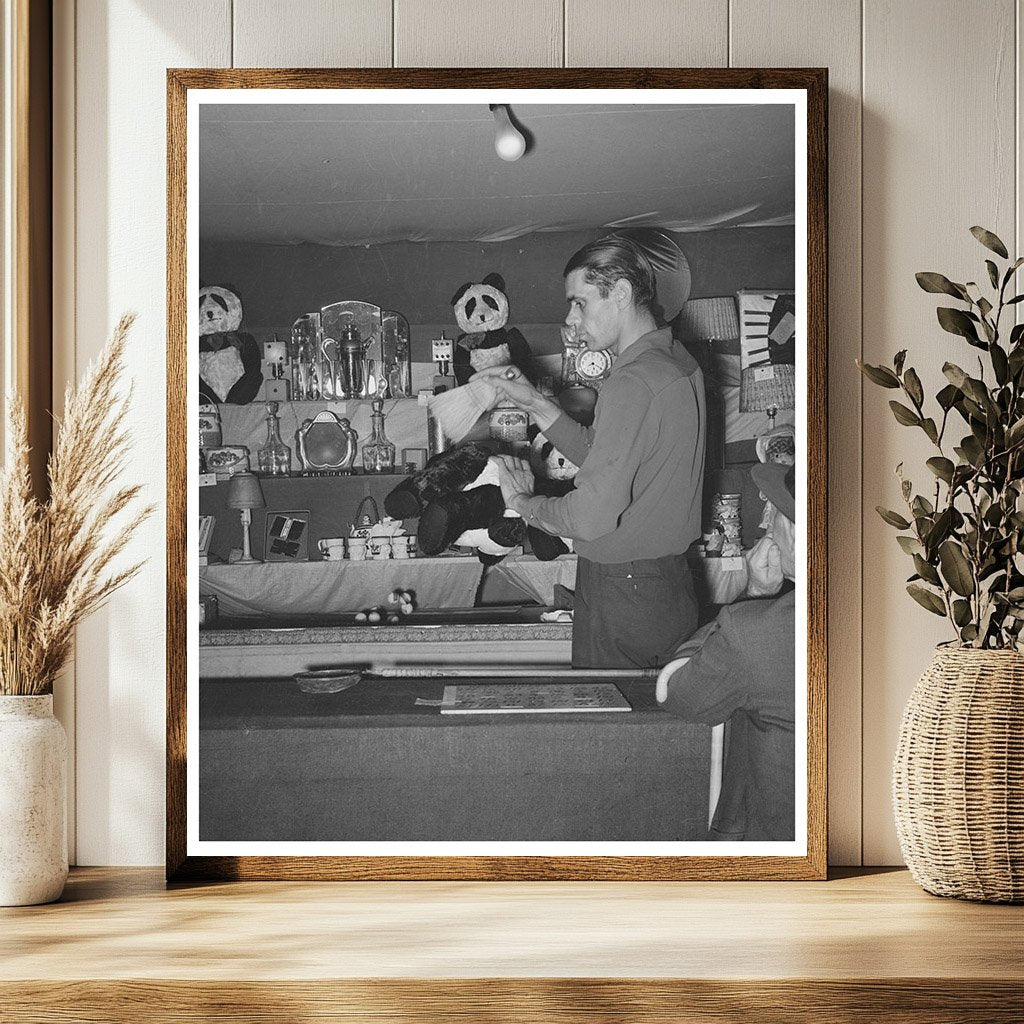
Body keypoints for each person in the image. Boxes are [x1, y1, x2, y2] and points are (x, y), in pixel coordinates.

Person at [479, 236, 706, 668]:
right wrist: (534, 402)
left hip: (623, 589)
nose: (570, 318)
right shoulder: (675, 360)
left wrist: (520, 502)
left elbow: (589, 518)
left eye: (579, 302)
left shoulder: (632, 380)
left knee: (605, 727)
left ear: (620, 293)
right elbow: (605, 454)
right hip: (667, 585)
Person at [656, 462, 797, 841]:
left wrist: (750, 595)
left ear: (799, 538)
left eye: (775, 514)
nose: (765, 524)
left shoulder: (754, 631)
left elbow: (675, 692)